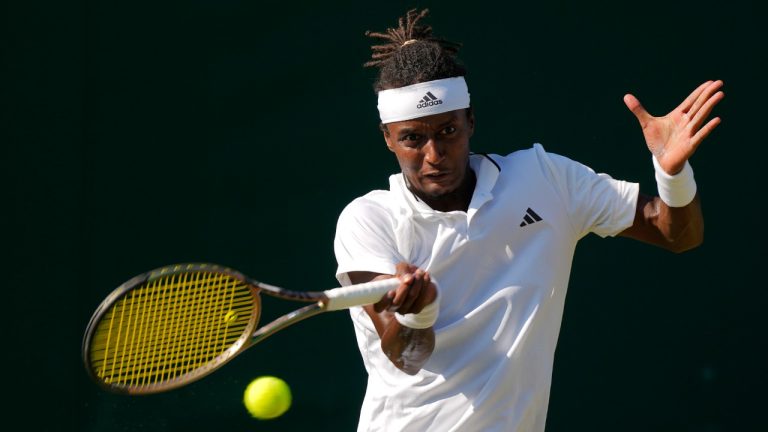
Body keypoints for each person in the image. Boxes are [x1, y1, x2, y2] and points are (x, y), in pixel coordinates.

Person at [333, 8, 723, 432]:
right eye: (412, 138)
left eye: (448, 131)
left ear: (471, 121)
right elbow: (406, 356)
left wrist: (672, 174)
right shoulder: (368, 221)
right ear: (387, 138)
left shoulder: (547, 180)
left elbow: (677, 234)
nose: (433, 155)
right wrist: (419, 313)